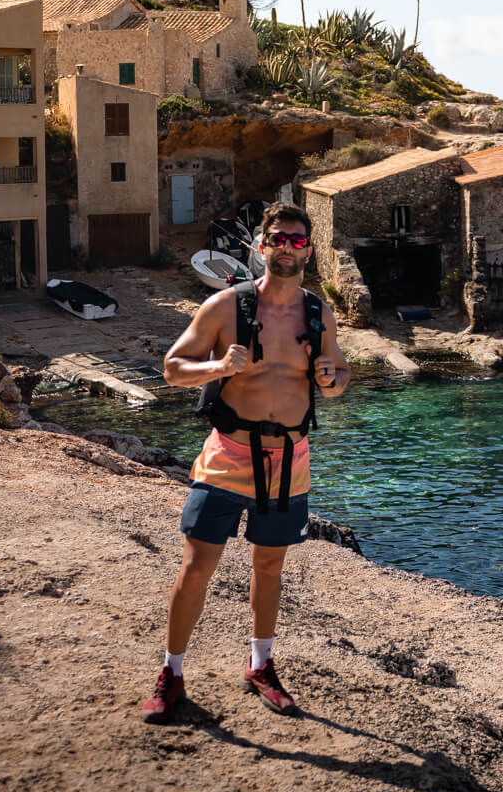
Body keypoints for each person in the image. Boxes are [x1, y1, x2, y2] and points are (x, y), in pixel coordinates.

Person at [142, 202, 350, 722]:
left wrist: (332, 378)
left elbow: (341, 376)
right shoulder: (224, 306)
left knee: (270, 565)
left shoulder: (317, 313)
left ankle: (260, 665)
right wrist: (218, 365)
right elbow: (172, 368)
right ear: (261, 246)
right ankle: (172, 672)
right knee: (196, 567)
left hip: (290, 461)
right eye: (279, 238)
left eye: (298, 241)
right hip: (227, 455)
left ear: (308, 251)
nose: (287, 248)